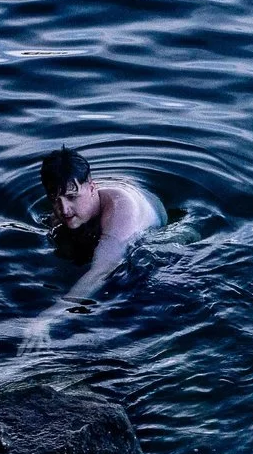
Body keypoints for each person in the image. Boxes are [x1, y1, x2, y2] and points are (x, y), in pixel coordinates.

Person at [25, 147, 161, 348]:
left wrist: (47, 317)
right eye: (55, 200)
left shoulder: (122, 210)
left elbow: (102, 270)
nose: (64, 209)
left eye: (72, 197)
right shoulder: (63, 215)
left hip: (151, 262)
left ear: (92, 187)